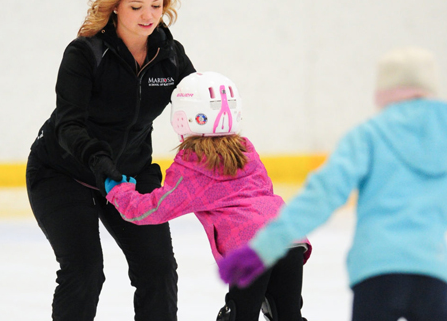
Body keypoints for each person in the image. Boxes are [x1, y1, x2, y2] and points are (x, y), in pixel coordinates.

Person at [218, 47, 447, 321]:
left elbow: (319, 198)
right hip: (432, 274)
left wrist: (262, 249)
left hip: (376, 274)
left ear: (384, 91)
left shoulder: (368, 137)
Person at [25, 0, 196, 320]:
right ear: (115, 5)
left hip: (130, 172)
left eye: (156, 5)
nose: (148, 16)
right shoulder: (85, 53)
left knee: (158, 269)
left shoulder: (170, 56)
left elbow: (201, 107)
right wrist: (102, 166)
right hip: (62, 172)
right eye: (136, 6)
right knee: (85, 271)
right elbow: (68, 125)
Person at [104, 71, 312, 321]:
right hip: (289, 237)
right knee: (288, 315)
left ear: (183, 117)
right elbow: (263, 195)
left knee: (239, 316)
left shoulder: (192, 165)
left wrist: (118, 190)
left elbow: (151, 210)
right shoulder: (246, 149)